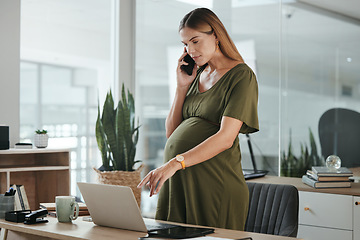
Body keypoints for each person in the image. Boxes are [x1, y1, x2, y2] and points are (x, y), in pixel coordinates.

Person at [137, 7, 259, 231]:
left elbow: (225, 138)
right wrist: (181, 87)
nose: (190, 50)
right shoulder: (196, 75)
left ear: (216, 35)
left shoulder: (242, 76)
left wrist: (175, 163)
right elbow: (171, 133)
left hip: (214, 185)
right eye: (185, 44)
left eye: (195, 41)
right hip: (179, 184)